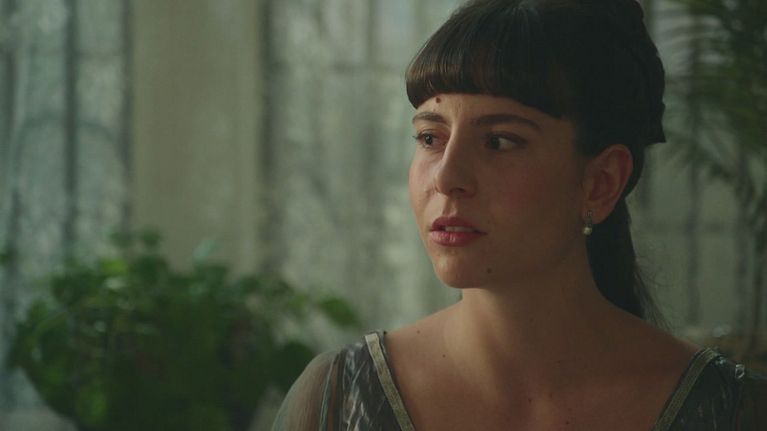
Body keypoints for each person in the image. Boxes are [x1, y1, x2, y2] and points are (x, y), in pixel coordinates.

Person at [272, 0, 767, 429]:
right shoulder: (339, 399)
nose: (447, 177)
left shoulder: (730, 411)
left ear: (601, 182)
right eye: (430, 138)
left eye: (500, 141)